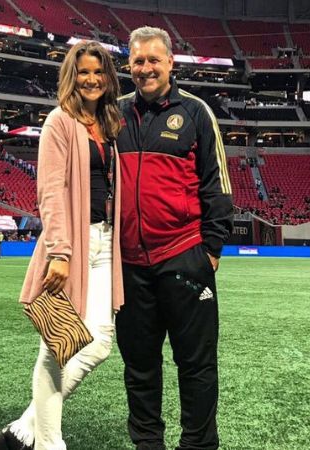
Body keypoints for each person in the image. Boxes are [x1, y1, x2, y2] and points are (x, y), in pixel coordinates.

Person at [0, 40, 124, 450]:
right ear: (72, 75)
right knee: (56, 348)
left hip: (107, 241)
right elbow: (50, 191)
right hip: (72, 244)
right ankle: (49, 443)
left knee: (97, 343)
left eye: (99, 71)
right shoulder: (59, 122)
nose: (92, 79)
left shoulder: (110, 122)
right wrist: (60, 252)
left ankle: (22, 431)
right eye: (84, 71)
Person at [115, 27, 233, 450]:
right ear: (128, 65)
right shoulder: (115, 114)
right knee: (139, 367)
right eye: (138, 61)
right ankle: (148, 445)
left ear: (170, 63)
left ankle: (198, 446)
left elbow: (217, 183)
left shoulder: (197, 112)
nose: (145, 68)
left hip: (184, 256)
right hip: (129, 266)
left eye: (153, 60)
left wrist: (211, 251)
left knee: (196, 366)